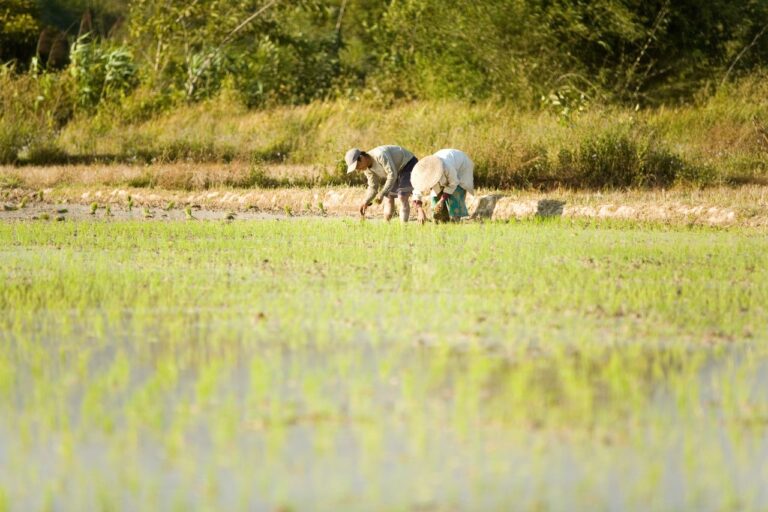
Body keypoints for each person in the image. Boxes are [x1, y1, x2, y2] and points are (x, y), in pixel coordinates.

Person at [344, 145, 418, 223]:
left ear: (361, 158)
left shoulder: (380, 155)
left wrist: (382, 193)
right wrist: (366, 201)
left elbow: (392, 175)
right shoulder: (367, 169)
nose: (358, 170)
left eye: (357, 166)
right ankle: (386, 226)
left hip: (408, 164)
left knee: (402, 196)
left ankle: (404, 229)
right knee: (388, 197)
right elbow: (373, 187)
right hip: (396, 170)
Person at [411, 148, 474, 224]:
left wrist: (442, 200)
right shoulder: (422, 173)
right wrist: (420, 210)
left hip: (461, 166)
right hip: (447, 163)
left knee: (456, 193)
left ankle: (456, 220)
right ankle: (443, 220)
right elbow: (416, 192)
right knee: (435, 199)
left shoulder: (446, 166)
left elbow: (453, 183)